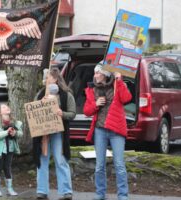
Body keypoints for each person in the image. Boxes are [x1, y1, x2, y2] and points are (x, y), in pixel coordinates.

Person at [83, 61, 132, 200]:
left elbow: (126, 98)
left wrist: (119, 79)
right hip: (100, 130)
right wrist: (95, 104)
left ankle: (123, 195)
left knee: (119, 164)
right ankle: (100, 194)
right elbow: (86, 111)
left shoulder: (117, 85)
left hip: (116, 131)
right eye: (95, 72)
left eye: (98, 72)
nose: (95, 75)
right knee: (99, 165)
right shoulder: (92, 90)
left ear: (105, 74)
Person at [33, 68, 76, 200]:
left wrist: (61, 113)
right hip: (44, 134)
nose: (46, 79)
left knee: (60, 160)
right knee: (42, 160)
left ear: (55, 79)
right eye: (45, 77)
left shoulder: (66, 94)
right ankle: (42, 191)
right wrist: (41, 104)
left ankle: (66, 191)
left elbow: (72, 113)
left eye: (48, 77)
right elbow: (33, 112)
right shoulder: (40, 94)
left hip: (59, 133)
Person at [0, 104, 23, 197]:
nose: (7, 107)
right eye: (4, 107)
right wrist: (6, 132)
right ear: (0, 112)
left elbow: (20, 134)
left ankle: (10, 188)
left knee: (8, 168)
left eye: (7, 106)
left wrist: (15, 133)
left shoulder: (15, 122)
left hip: (10, 149)